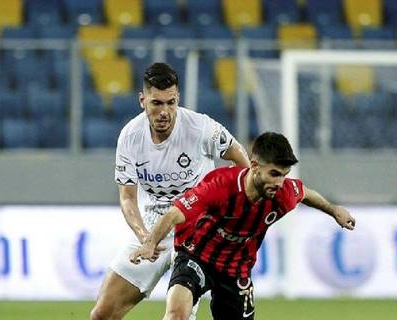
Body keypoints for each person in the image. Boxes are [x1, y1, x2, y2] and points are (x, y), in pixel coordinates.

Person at [130, 132, 355, 320]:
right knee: (177, 314)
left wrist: (334, 211)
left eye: (284, 175)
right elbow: (174, 214)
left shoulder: (283, 193)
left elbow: (305, 193)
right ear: (255, 166)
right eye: (274, 174)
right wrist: (150, 243)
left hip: (235, 268)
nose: (279, 182)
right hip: (196, 255)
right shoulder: (220, 185)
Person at [90, 62, 250, 320]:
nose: (165, 111)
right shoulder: (130, 136)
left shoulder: (202, 128)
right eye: (157, 103)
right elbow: (128, 197)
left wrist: (227, 209)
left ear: (178, 99)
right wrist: (145, 237)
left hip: (195, 230)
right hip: (153, 227)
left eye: (171, 102)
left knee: (177, 317)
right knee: (102, 314)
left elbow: (242, 163)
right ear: (142, 101)